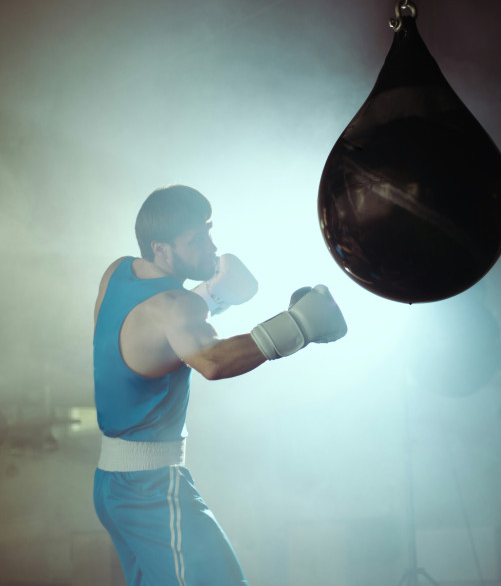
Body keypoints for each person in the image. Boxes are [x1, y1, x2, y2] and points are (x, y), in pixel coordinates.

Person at [92, 184, 348, 585]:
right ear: (161, 249)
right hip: (152, 490)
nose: (211, 247)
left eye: (209, 232)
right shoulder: (178, 307)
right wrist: (299, 325)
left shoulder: (117, 272)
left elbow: (152, 328)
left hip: (110, 485)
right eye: (195, 240)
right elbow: (212, 361)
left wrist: (211, 295)